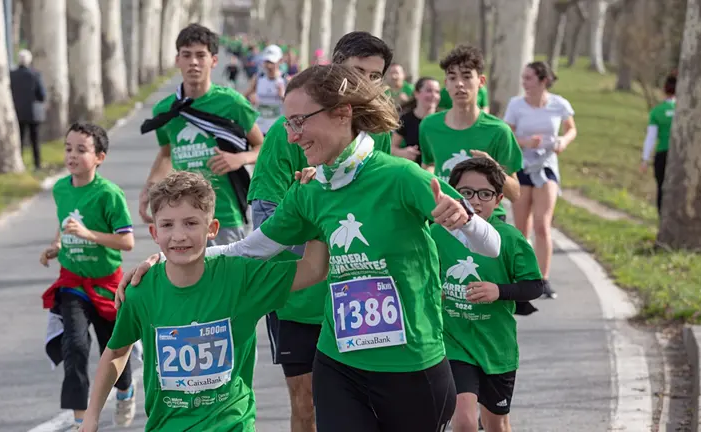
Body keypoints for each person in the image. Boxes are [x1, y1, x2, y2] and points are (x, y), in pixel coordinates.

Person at [118, 64, 502, 432]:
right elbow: (252, 248)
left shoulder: (401, 177)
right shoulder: (311, 190)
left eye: (300, 121)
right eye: (288, 122)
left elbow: (492, 246)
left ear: (342, 114)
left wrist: (467, 222)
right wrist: (174, 257)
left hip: (412, 364)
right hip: (339, 362)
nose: (291, 135)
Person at [81, 171, 330, 432]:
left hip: (232, 425)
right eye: (167, 225)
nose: (179, 236)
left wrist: (315, 202)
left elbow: (313, 268)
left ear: (212, 229)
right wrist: (92, 415)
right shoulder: (141, 291)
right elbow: (117, 351)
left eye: (190, 223)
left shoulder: (240, 278)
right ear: (154, 232)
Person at [245, 31, 395, 432]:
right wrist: (314, 211)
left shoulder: (378, 136)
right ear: (332, 68)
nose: (365, 84)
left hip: (360, 296)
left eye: (375, 76)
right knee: (308, 405)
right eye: (356, 72)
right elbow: (267, 224)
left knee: (364, 407)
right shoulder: (286, 133)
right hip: (300, 300)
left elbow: (379, 208)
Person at [433, 157, 544, 432]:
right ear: (453, 194)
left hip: (497, 348)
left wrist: (499, 291)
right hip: (454, 342)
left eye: (485, 194)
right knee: (465, 421)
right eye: (466, 193)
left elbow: (534, 286)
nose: (476, 201)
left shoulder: (509, 238)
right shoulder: (436, 233)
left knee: (497, 424)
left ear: (499, 199)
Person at [39, 122, 136, 430]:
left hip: (107, 284)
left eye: (82, 150)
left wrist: (88, 234)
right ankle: (82, 422)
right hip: (73, 282)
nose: (72, 155)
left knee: (114, 347)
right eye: (68, 148)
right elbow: (64, 221)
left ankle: (125, 391)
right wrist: (56, 244)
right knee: (76, 347)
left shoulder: (109, 194)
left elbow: (127, 241)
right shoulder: (60, 188)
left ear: (100, 157)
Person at [138, 24, 264, 247]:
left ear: (214, 61)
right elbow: (166, 154)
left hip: (224, 216)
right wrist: (150, 188)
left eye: (200, 55)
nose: (193, 62)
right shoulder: (165, 111)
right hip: (182, 218)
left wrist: (239, 159)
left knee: (227, 281)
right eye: (186, 55)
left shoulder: (232, 103)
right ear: (178, 60)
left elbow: (263, 146)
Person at [420, 45, 522, 222]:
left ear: (480, 81)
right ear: (446, 84)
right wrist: (428, 178)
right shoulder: (429, 126)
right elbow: (428, 164)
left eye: (467, 77)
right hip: (445, 220)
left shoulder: (499, 131)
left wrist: (494, 169)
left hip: (488, 224)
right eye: (452, 78)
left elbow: (515, 194)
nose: (459, 84)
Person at [504, 61, 577, 300]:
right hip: (522, 167)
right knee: (521, 227)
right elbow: (508, 134)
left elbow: (571, 129)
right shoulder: (516, 105)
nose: (524, 83)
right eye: (523, 78)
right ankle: (522, 276)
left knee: (542, 226)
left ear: (543, 80)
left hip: (547, 168)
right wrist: (525, 143)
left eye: (528, 79)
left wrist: (563, 142)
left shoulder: (559, 104)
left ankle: (543, 280)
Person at [641, 72, 676, 215]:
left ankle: (662, 220)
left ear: (664, 89)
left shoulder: (657, 112)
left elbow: (651, 138)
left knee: (662, 188)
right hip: (679, 156)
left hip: (662, 154)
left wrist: (645, 159)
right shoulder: (685, 111)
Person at [10, 49, 46, 170]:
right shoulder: (35, 74)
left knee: (19, 139)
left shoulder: (12, 75)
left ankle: (19, 163)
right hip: (33, 113)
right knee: (35, 140)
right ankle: (37, 164)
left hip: (18, 111)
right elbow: (41, 94)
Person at [392, 76, 440, 164]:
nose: (434, 95)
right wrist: (403, 153)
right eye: (429, 90)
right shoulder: (406, 119)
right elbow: (392, 148)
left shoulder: (443, 119)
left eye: (437, 92)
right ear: (416, 93)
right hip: (415, 171)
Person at [244, 44, 287, 135]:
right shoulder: (258, 78)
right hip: (260, 128)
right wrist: (250, 99)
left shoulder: (286, 80)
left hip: (278, 129)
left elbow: (294, 106)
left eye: (272, 62)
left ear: (280, 61)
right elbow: (244, 97)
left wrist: (283, 96)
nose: (269, 66)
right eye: (267, 62)